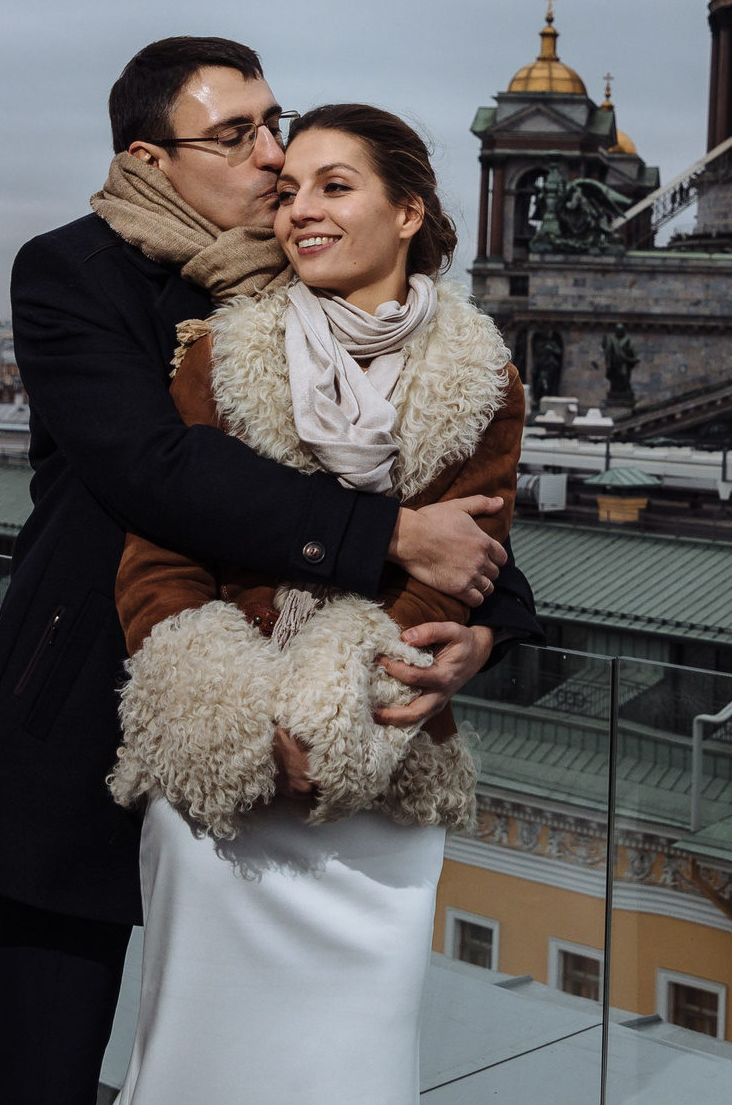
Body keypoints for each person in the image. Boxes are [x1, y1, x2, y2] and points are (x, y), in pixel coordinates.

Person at [0, 39, 538, 1104]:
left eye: (273, 124)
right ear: (153, 161)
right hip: (99, 688)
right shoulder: (72, 270)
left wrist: (490, 623)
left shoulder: (309, 276)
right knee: (45, 1065)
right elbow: (155, 469)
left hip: (287, 706)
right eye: (236, 134)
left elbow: (459, 486)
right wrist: (390, 535)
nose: (270, 154)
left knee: (252, 1052)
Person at [107, 103, 522, 1103]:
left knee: (351, 1069)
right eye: (289, 192)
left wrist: (334, 724)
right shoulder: (217, 353)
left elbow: (460, 567)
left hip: (378, 765)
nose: (300, 211)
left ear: (410, 210)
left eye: (335, 187)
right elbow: (162, 556)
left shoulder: (481, 376)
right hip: (221, 773)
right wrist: (244, 720)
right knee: (195, 1061)